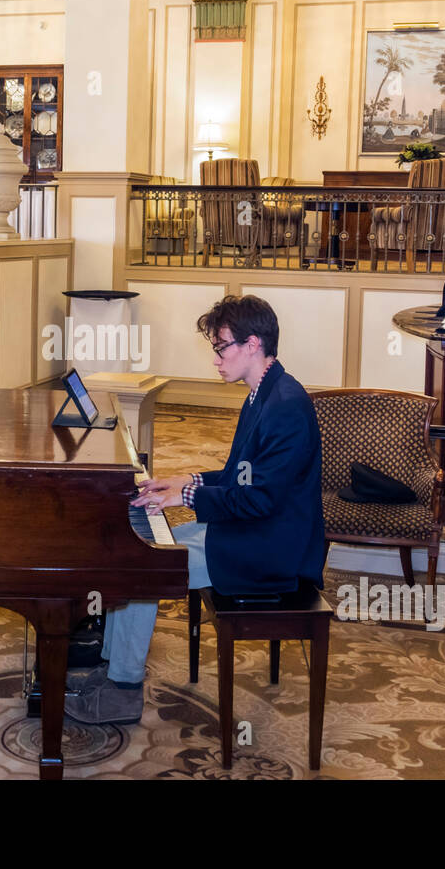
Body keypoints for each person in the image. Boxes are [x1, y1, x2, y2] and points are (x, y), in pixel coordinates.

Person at [64, 295, 325, 725]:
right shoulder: (263, 393)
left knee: (143, 566)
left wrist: (184, 499)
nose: (216, 360)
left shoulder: (285, 406)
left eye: (222, 348)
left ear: (253, 344)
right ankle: (112, 671)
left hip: (272, 550)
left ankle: (122, 691)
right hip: (250, 532)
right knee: (140, 547)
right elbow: (240, 475)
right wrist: (189, 480)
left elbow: (260, 500)